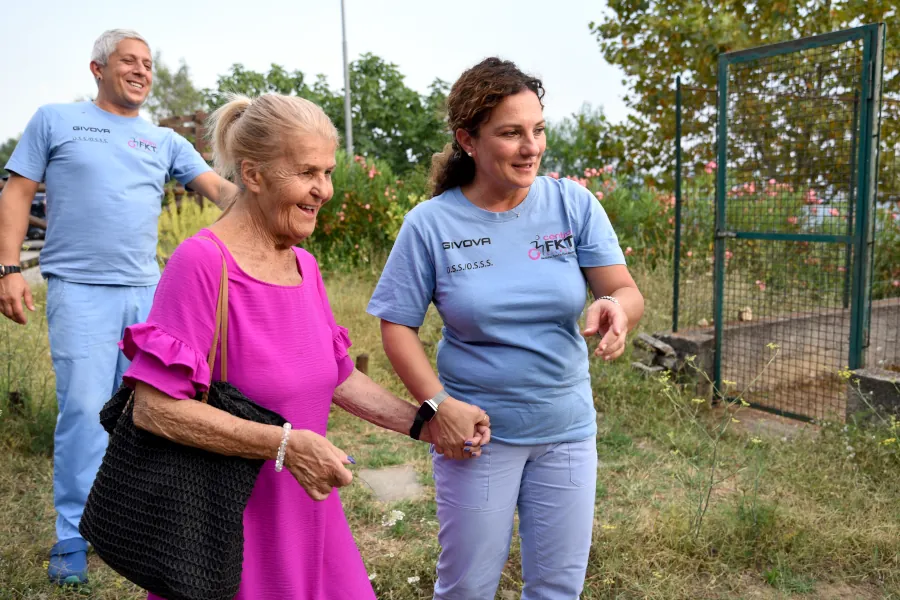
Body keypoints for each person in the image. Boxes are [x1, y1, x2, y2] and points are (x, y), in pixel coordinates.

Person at [119, 92, 490, 600]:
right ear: (253, 175)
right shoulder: (202, 264)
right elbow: (155, 409)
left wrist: (428, 422)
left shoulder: (304, 266)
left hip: (310, 518)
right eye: (308, 173)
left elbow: (336, 375)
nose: (325, 190)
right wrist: (284, 445)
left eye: (328, 172)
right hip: (230, 535)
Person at [367, 57, 645, 600]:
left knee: (558, 588)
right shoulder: (431, 224)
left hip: (566, 430)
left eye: (538, 130)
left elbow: (626, 290)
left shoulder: (574, 204)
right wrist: (438, 405)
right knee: (468, 587)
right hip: (476, 437)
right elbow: (397, 326)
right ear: (468, 140)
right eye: (512, 133)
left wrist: (614, 306)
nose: (531, 147)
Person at [0, 29, 235, 585]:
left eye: (149, 64)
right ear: (97, 68)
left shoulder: (163, 141)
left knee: (153, 409)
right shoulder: (55, 120)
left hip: (149, 294)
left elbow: (224, 194)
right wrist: (8, 268)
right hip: (79, 288)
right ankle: (72, 536)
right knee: (84, 410)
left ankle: (133, 522)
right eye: (129, 61)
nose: (141, 71)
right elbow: (15, 190)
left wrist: (277, 189)